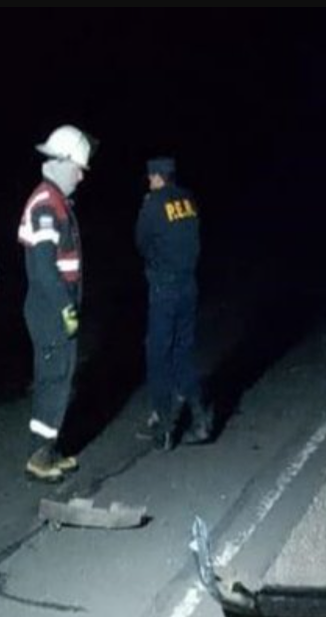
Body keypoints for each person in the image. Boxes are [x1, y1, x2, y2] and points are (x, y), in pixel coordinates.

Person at [18, 124, 94, 482]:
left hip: (56, 306)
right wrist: (66, 307)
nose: (81, 175)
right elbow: (43, 268)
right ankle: (39, 456)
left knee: (58, 377)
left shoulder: (56, 201)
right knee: (54, 378)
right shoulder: (46, 204)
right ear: (62, 162)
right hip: (51, 309)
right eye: (78, 167)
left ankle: (49, 447)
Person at [134, 156, 211, 450]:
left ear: (156, 177)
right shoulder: (188, 200)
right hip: (189, 285)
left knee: (157, 354)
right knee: (182, 352)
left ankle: (163, 428)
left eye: (150, 177)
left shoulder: (152, 204)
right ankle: (200, 418)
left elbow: (140, 241)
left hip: (164, 288)